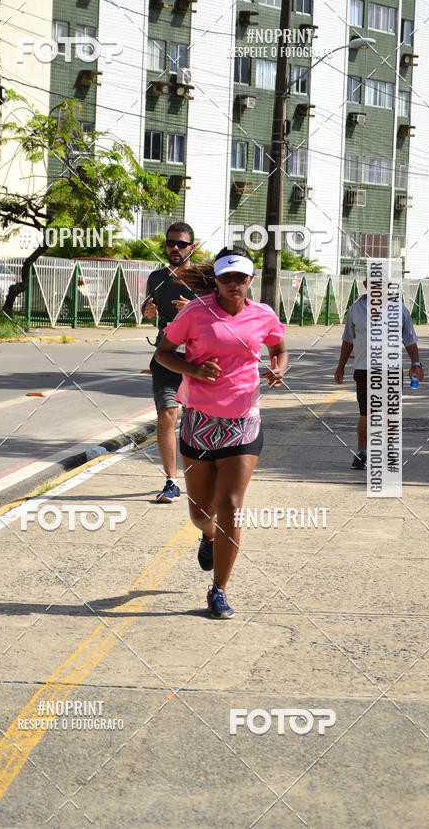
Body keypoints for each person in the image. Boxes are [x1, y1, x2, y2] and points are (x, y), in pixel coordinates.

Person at [155, 245, 287, 619]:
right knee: (201, 511)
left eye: (240, 277)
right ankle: (208, 535)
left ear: (250, 279)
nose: (233, 283)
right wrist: (194, 371)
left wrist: (279, 369)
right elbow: (163, 353)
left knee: (230, 506)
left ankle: (219, 590)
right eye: (226, 276)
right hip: (198, 421)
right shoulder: (196, 313)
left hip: (243, 422)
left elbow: (280, 348)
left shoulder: (263, 314)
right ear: (216, 278)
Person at [334, 280, 424, 469]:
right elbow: (347, 340)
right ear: (366, 284)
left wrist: (416, 363)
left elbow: (409, 338)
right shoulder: (356, 308)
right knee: (367, 413)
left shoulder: (399, 308)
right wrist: (340, 366)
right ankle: (362, 453)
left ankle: (389, 449)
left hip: (390, 368)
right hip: (364, 368)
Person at [142, 222, 197, 503]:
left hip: (200, 358)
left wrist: (193, 311)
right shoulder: (156, 277)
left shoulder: (204, 278)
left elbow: (222, 313)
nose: (175, 248)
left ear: (192, 248)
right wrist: (148, 311)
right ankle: (171, 481)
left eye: (181, 244)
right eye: (170, 243)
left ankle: (205, 475)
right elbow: (148, 306)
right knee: (166, 416)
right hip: (166, 355)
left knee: (200, 421)